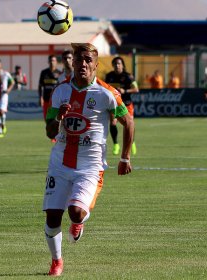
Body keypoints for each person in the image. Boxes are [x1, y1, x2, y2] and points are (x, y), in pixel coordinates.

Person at [43, 42, 134, 276]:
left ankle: (78, 222)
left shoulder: (107, 93)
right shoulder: (60, 91)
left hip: (90, 167)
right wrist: (58, 119)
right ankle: (57, 261)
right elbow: (50, 132)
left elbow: (129, 122)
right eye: (78, 59)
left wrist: (124, 158)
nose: (82, 64)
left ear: (95, 65)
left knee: (75, 212)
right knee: (52, 216)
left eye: (87, 60)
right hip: (60, 163)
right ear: (72, 62)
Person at [105, 56, 139, 155]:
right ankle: (116, 144)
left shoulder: (128, 76)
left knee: (129, 124)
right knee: (112, 123)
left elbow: (136, 89)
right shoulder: (109, 76)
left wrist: (125, 91)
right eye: (115, 64)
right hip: (114, 104)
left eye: (119, 64)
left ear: (122, 65)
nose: (117, 65)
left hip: (127, 104)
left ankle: (132, 142)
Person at [38, 55, 61, 120]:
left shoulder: (60, 73)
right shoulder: (44, 72)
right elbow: (40, 86)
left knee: (56, 119)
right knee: (47, 119)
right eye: (50, 60)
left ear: (56, 62)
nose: (52, 62)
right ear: (48, 62)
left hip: (56, 100)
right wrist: (40, 97)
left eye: (53, 60)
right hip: (46, 99)